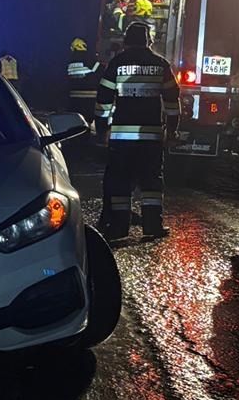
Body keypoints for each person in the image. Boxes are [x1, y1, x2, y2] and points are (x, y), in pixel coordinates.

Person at [95, 18, 182, 240]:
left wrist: (102, 129)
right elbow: (172, 100)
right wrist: (172, 130)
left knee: (120, 180)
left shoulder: (116, 64)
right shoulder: (161, 65)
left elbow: (104, 99)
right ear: (149, 41)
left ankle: (119, 228)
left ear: (126, 41)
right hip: (151, 136)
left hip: (121, 137)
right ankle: (152, 226)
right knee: (151, 182)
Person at [66, 37, 98, 117]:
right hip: (89, 97)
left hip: (74, 97)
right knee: (88, 119)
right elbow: (100, 70)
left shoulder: (70, 60)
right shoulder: (88, 58)